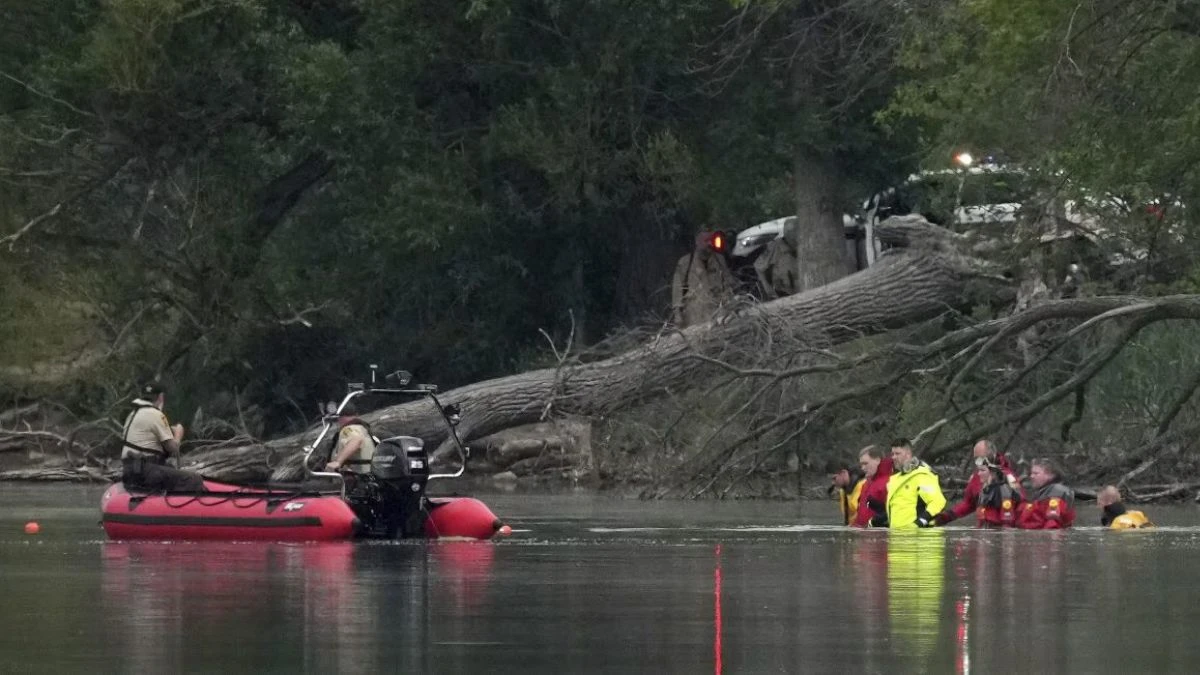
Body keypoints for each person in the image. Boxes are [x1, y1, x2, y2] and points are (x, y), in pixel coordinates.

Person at [120, 382, 205, 493]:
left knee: (169, 467)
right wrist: (179, 433)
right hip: (145, 471)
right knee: (194, 479)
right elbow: (173, 448)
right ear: (161, 397)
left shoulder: (133, 413)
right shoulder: (156, 414)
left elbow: (149, 435)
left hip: (130, 470)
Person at [935, 439, 1022, 525]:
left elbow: (1017, 510)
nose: (978, 463)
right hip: (984, 530)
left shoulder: (1008, 480)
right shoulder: (978, 477)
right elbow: (968, 503)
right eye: (976, 459)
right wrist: (948, 516)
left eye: (980, 458)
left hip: (1000, 530)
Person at [670, 230, 737, 327]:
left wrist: (731, 301)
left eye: (711, 240)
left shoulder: (719, 259)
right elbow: (677, 290)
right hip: (695, 315)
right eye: (706, 241)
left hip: (719, 312)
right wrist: (677, 314)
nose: (710, 243)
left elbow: (729, 282)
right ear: (697, 242)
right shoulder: (685, 262)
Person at [885, 438, 946, 529]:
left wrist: (919, 523)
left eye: (897, 454)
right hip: (899, 538)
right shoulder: (896, 479)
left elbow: (938, 502)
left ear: (908, 454)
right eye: (892, 454)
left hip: (920, 539)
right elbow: (899, 509)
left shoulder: (922, 475)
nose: (893, 457)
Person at [1017, 458, 1076, 529]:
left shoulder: (1055, 493)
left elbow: (1053, 527)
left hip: (1043, 538)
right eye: (1031, 473)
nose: (1031, 476)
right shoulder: (1041, 493)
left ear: (1050, 475)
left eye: (1036, 473)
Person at [752, 217, 799, 300]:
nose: (794, 237)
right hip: (783, 293)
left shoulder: (807, 245)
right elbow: (758, 266)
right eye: (791, 234)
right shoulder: (775, 246)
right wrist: (769, 290)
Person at [324, 403, 378, 474]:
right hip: (370, 474)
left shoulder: (348, 429)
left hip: (357, 478)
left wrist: (337, 462)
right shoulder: (362, 428)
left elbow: (356, 440)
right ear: (356, 414)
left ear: (339, 417)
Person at [971, 458, 1022, 528]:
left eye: (982, 470)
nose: (979, 473)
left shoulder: (1004, 491)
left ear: (993, 473)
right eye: (978, 470)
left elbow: (1007, 525)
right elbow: (980, 522)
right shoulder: (985, 490)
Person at [853, 445, 893, 528]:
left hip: (880, 537)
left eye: (865, 463)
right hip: (864, 535)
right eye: (861, 465)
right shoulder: (866, 484)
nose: (863, 468)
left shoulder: (889, 483)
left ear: (878, 460)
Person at [829, 461, 865, 526]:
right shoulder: (843, 491)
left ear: (843, 473)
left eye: (834, 478)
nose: (833, 483)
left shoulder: (864, 485)